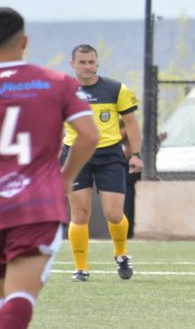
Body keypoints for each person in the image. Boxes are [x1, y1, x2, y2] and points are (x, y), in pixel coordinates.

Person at [0, 7, 99, 328]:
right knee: (20, 298)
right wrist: (65, 178)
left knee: (1, 297)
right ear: (25, 41)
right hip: (36, 203)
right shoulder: (56, 82)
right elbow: (88, 135)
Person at [62, 44, 143, 281]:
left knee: (114, 214)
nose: (88, 67)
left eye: (91, 62)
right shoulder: (62, 90)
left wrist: (136, 154)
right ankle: (81, 269)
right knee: (80, 213)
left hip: (109, 155)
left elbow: (131, 122)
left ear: (97, 63)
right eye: (82, 62)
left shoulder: (116, 88)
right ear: (72, 64)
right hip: (75, 156)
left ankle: (121, 254)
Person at [119, 119, 140, 239]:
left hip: (129, 175)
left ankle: (128, 230)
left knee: (127, 197)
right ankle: (126, 230)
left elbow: (130, 154)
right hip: (121, 175)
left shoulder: (130, 141)